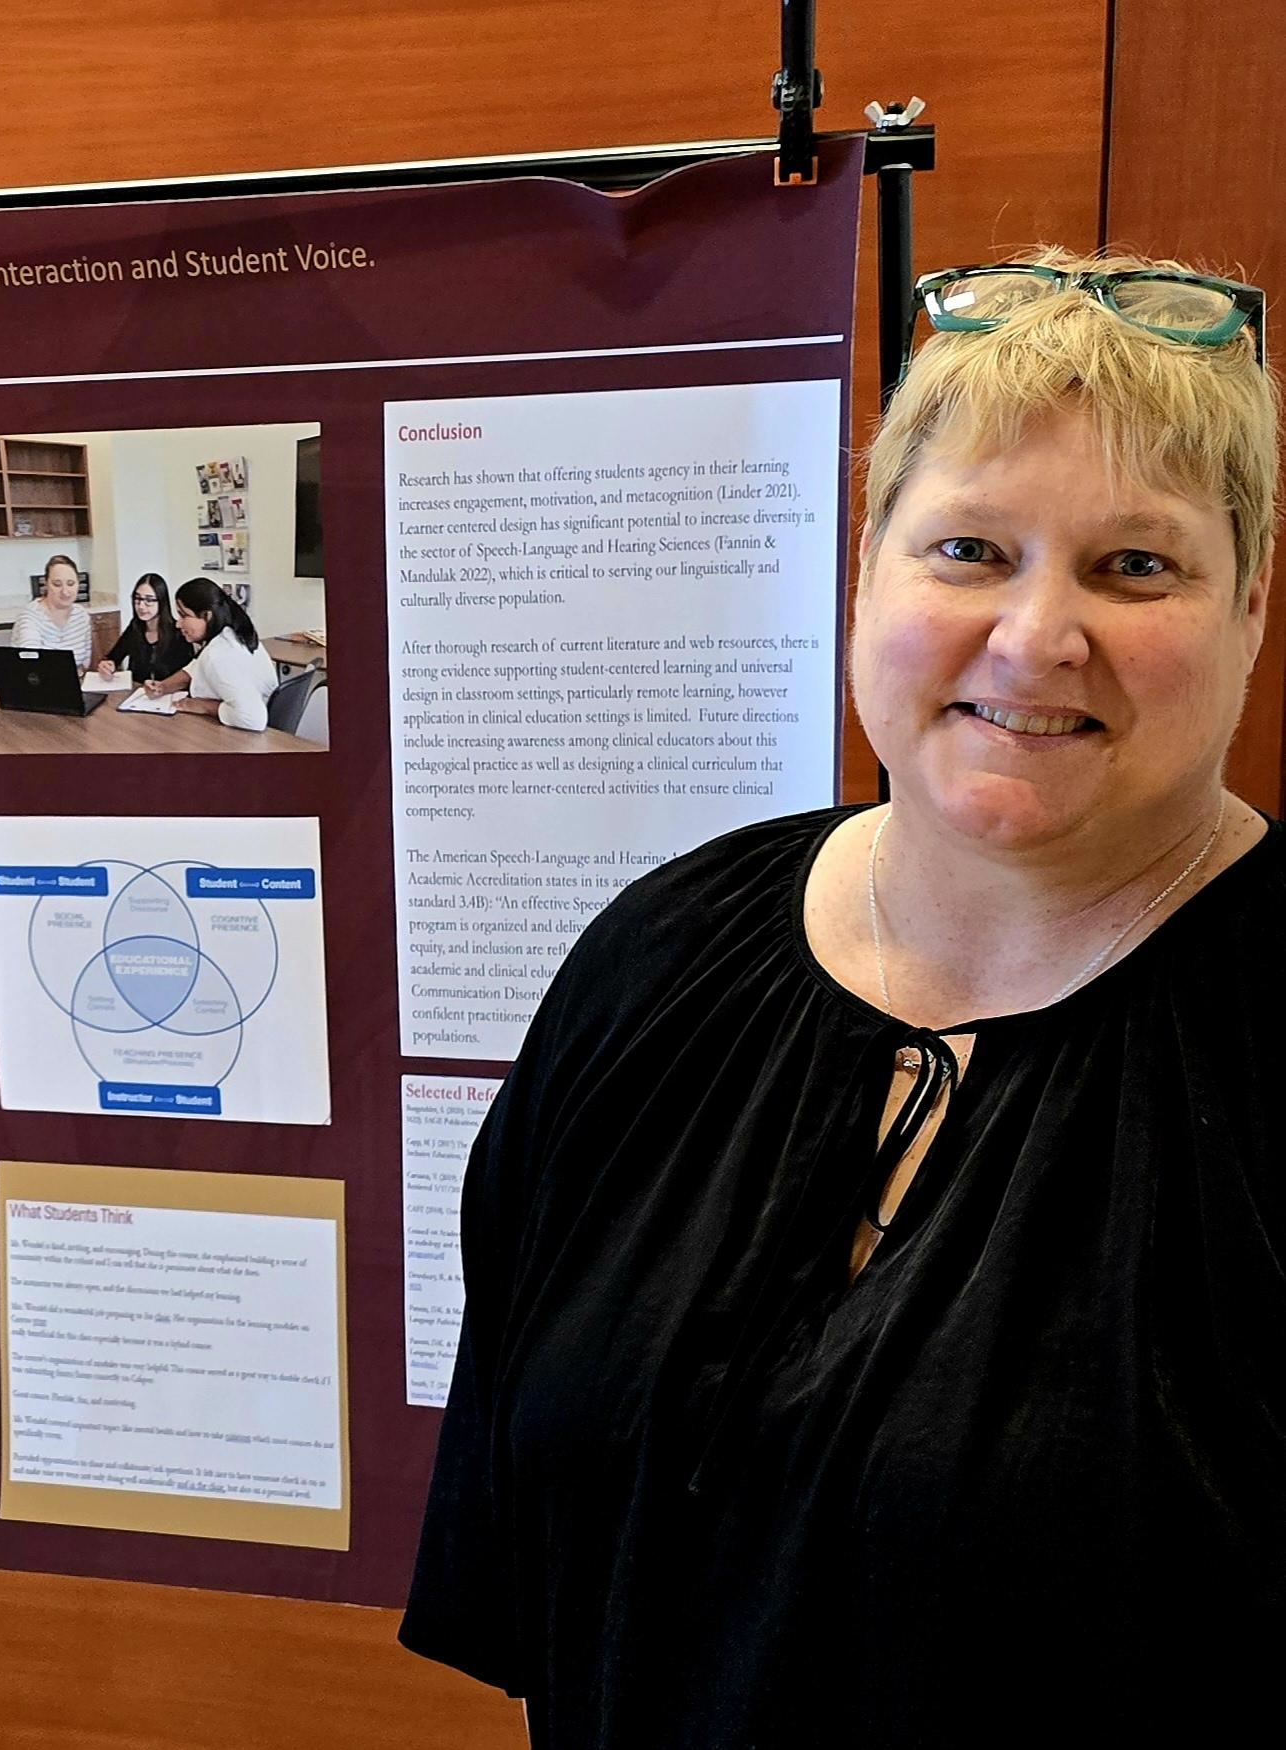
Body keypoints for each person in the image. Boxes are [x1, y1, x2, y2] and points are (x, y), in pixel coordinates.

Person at [402, 250, 1284, 1745]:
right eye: (967, 550)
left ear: (1250, 607)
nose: (1032, 636)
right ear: (864, 561)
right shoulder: (661, 957)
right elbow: (545, 1558)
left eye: (1134, 565)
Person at [145, 577, 277, 730]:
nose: (178, 623)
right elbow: (196, 667)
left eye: (184, 615)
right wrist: (163, 686)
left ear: (207, 616)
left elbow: (253, 719)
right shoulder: (231, 633)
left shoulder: (218, 656)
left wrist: (204, 706)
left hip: (250, 734)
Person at [96, 572, 190, 687]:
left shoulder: (178, 633)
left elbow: (187, 675)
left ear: (161, 602)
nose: (141, 606)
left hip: (168, 696)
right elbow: (113, 657)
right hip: (136, 694)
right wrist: (107, 665)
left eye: (149, 600)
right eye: (137, 598)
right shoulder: (135, 628)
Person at [7, 553, 94, 671]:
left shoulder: (81, 616)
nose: (65, 591)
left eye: (71, 584)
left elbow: (84, 662)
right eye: (57, 584)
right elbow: (30, 662)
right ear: (46, 584)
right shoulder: (30, 616)